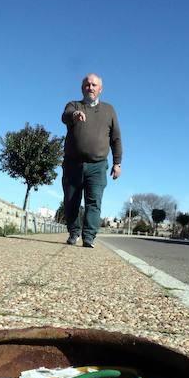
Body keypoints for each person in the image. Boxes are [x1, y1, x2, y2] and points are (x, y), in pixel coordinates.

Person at [61, 73, 122, 248]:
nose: (90, 88)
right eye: (87, 85)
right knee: (71, 200)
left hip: (97, 165)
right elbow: (65, 116)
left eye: (94, 85)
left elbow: (116, 138)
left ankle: (89, 236)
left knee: (94, 201)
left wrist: (117, 163)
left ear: (100, 89)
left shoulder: (109, 110)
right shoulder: (73, 105)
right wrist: (74, 115)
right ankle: (74, 232)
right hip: (73, 163)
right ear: (82, 88)